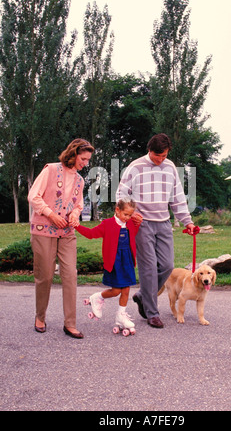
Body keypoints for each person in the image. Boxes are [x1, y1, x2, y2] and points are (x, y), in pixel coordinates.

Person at [116, 133, 195, 328]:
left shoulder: (170, 168)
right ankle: (152, 313)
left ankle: (143, 294)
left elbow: (177, 196)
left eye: (164, 156)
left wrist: (187, 221)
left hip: (164, 222)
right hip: (141, 223)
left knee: (167, 265)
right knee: (149, 268)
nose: (160, 160)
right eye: (156, 156)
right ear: (149, 150)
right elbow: (121, 194)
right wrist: (131, 214)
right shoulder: (135, 167)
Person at [28, 139, 94, 339]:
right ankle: (40, 317)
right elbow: (33, 196)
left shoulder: (80, 181)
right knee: (45, 276)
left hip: (66, 233)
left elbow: (78, 204)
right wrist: (50, 214)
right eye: (83, 159)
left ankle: (70, 324)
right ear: (73, 154)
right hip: (43, 230)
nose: (85, 163)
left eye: (88, 160)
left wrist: (74, 215)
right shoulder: (50, 169)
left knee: (70, 276)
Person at [75, 198, 141, 332]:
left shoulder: (130, 223)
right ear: (117, 210)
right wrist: (77, 225)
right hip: (115, 261)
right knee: (116, 291)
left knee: (126, 289)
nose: (127, 218)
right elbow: (91, 234)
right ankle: (97, 297)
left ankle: (121, 315)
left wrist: (138, 223)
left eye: (130, 215)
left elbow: (133, 235)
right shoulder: (107, 224)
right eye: (125, 214)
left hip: (127, 259)